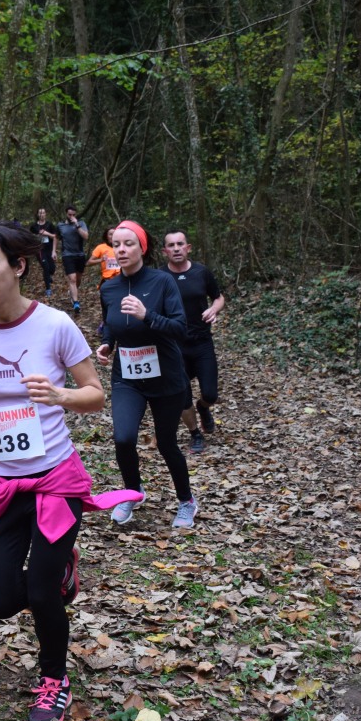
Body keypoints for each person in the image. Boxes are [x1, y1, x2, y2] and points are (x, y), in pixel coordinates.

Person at [0, 221, 141, 721]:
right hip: (1, 485)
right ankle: (63, 570)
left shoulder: (55, 325)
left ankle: (54, 679)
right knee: (0, 600)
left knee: (40, 592)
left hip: (55, 481)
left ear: (18, 266)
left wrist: (59, 396)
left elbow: (95, 394)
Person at [96, 220, 199, 529]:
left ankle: (186, 501)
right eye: (116, 244)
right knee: (123, 438)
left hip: (165, 375)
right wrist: (106, 344)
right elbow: (109, 323)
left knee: (166, 443)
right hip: (127, 376)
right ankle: (133, 491)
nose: (121, 249)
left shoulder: (162, 282)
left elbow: (180, 328)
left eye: (128, 243)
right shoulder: (109, 287)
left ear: (142, 248)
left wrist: (147, 315)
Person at [163, 230, 225, 454]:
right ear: (165, 251)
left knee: (210, 394)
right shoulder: (160, 277)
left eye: (180, 244)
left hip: (201, 342)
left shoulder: (201, 272)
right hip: (174, 345)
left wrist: (214, 309)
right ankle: (195, 434)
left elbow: (218, 297)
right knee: (182, 395)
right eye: (171, 245)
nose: (176, 248)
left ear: (188, 248)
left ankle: (203, 407)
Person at [56, 205, 90, 313]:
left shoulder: (81, 223)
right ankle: (76, 303)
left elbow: (86, 237)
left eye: (73, 215)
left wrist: (77, 225)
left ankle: (72, 292)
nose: (71, 216)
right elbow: (56, 237)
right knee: (72, 279)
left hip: (80, 255)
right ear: (66, 213)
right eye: (69, 214)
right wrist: (53, 251)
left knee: (78, 279)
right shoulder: (60, 225)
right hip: (67, 255)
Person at [85, 226, 120, 325]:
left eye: (115, 234)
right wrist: (101, 260)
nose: (113, 236)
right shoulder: (101, 247)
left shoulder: (122, 247)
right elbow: (88, 263)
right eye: (110, 234)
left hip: (122, 279)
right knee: (107, 304)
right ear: (106, 236)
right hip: (107, 280)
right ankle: (106, 323)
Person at [29, 208, 58, 298]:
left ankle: (48, 277)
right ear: (38, 214)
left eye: (43, 213)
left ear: (45, 214)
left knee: (52, 269)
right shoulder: (34, 226)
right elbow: (30, 237)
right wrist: (37, 236)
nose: (42, 215)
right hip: (40, 250)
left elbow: (55, 236)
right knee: (45, 267)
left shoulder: (49, 224)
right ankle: (48, 289)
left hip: (49, 249)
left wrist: (47, 234)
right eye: (40, 213)